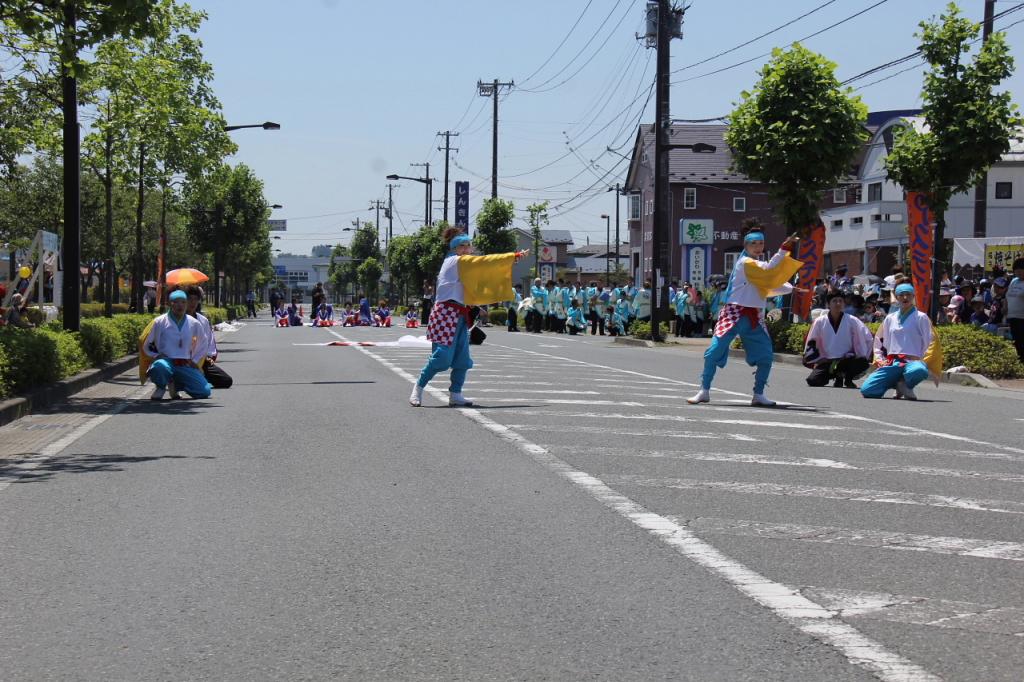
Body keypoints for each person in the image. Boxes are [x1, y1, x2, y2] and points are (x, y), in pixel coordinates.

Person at [410, 228, 526, 407]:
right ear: (454, 249)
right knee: (442, 358)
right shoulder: (455, 261)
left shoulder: (465, 266)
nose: (465, 249)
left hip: (460, 315)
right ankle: (418, 387)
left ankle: (455, 394)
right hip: (445, 314)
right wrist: (511, 256)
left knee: (462, 360)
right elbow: (485, 263)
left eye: (467, 246)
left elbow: (482, 280)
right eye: (461, 246)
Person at [688, 230, 802, 407]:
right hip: (733, 313)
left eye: (761, 243)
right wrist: (784, 248)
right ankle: (704, 390)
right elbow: (769, 270)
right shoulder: (745, 263)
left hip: (754, 315)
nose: (758, 247)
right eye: (753, 243)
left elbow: (769, 283)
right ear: (746, 246)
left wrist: (792, 289)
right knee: (714, 351)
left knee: (766, 355)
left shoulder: (756, 267)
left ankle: (759, 394)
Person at [860, 283, 938, 401]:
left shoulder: (921, 317)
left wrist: (922, 360)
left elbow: (930, 341)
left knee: (919, 370)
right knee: (868, 390)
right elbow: (880, 340)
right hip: (893, 362)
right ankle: (897, 384)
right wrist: (880, 359)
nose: (905, 298)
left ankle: (906, 384)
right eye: (901, 295)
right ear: (896, 297)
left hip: (912, 362)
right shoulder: (890, 318)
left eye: (908, 294)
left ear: (913, 296)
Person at [141, 289, 212, 400]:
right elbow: (147, 342)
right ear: (170, 304)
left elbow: (203, 343)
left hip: (185, 363)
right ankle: (160, 387)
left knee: (204, 391)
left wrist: (195, 360)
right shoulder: (159, 321)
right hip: (166, 361)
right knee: (159, 367)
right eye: (176, 302)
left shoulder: (194, 323)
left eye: (183, 302)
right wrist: (156, 355)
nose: (180, 305)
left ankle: (175, 386)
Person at [803, 291, 873, 388]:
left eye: (841, 301)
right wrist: (818, 359)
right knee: (813, 381)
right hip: (827, 361)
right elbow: (812, 341)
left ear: (844, 304)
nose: (838, 303)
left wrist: (861, 355)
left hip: (847, 360)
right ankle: (836, 375)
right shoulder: (819, 321)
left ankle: (848, 378)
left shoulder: (853, 320)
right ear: (828, 304)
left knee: (862, 362)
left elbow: (866, 338)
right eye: (834, 301)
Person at [185, 285, 232, 389]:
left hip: (200, 360)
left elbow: (209, 343)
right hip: (182, 361)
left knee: (226, 381)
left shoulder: (203, 320)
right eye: (190, 299)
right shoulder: (178, 319)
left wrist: (208, 357)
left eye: (195, 299)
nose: (193, 302)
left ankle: (198, 378)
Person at [1007, 258, 1024, 363]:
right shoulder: (1014, 281)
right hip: (1012, 315)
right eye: (1016, 269)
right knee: (1016, 340)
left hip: (1022, 317)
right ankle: (1020, 360)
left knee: (1022, 340)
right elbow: (1007, 295)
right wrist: (1005, 307)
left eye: (1021, 269)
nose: (1018, 271)